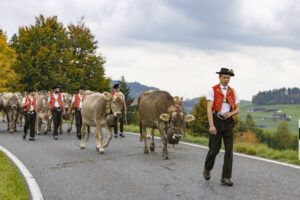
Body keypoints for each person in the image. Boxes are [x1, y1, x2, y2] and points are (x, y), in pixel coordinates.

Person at [203, 68, 240, 186]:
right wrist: (211, 125)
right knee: (215, 149)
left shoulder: (233, 92)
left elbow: (237, 109)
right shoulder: (212, 90)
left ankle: (225, 177)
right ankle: (207, 168)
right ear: (219, 78)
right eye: (224, 77)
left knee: (229, 151)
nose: (226, 80)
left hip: (228, 123)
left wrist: (230, 113)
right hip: (216, 121)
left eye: (228, 78)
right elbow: (209, 108)